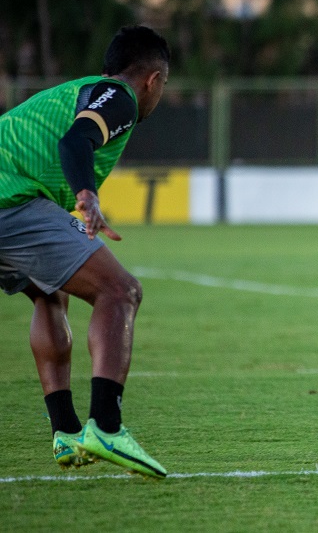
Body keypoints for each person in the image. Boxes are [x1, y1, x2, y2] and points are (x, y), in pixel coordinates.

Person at [0, 25, 170, 477]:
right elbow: (76, 141)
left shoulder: (83, 90)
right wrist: (87, 197)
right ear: (153, 80)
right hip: (10, 201)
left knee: (49, 294)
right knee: (120, 291)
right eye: (163, 86)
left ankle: (67, 431)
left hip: (17, 196)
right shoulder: (121, 98)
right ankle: (107, 427)